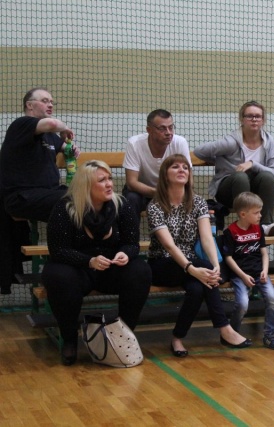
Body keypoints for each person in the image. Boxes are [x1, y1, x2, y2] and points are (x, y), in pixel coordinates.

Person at [41, 160, 151, 366]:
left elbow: (131, 244)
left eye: (110, 178)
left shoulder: (122, 205)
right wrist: (89, 261)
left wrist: (125, 254)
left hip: (110, 268)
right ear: (86, 186)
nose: (109, 184)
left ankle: (123, 335)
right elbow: (59, 251)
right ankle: (69, 339)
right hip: (78, 268)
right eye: (102, 180)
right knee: (58, 275)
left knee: (140, 270)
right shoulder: (64, 208)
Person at [147, 154, 251, 357]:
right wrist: (191, 268)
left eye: (185, 167)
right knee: (202, 273)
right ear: (165, 175)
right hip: (163, 263)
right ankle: (224, 328)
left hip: (193, 264)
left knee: (197, 289)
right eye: (175, 167)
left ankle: (177, 338)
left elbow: (206, 238)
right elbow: (168, 246)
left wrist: (215, 264)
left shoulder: (198, 202)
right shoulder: (155, 206)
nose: (181, 170)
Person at [0, 87, 79, 294]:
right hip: (22, 197)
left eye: (52, 101)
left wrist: (70, 148)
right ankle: (64, 261)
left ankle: (76, 258)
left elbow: (64, 147)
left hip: (48, 194)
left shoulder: (49, 136)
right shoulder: (21, 124)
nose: (50, 104)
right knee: (72, 201)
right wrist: (64, 127)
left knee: (89, 197)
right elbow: (52, 124)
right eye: (44, 101)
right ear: (29, 105)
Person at [194, 101, 274, 236]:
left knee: (267, 177)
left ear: (263, 120)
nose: (254, 119)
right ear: (242, 119)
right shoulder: (231, 142)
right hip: (229, 191)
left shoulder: (269, 142)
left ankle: (265, 225)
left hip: (253, 192)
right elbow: (199, 151)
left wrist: (252, 164)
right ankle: (245, 227)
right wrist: (219, 161)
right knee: (241, 177)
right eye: (249, 116)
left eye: (258, 116)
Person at [221, 192, 274, 350]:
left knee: (272, 299)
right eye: (256, 213)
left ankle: (269, 336)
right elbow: (228, 258)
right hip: (240, 275)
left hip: (259, 273)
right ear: (243, 214)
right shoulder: (230, 232)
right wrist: (242, 276)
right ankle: (232, 334)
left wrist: (265, 270)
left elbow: (264, 253)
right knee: (242, 303)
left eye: (260, 212)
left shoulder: (258, 229)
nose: (260, 215)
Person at [123, 109, 191, 218]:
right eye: (162, 128)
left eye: (171, 127)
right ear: (149, 130)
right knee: (131, 198)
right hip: (142, 193)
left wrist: (174, 193)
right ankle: (131, 230)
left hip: (171, 191)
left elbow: (189, 178)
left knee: (188, 198)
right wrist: (161, 193)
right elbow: (131, 182)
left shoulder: (180, 142)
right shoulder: (135, 143)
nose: (168, 132)